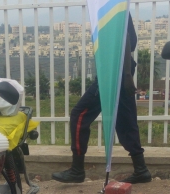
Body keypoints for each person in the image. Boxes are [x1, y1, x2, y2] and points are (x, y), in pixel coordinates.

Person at [52, 15, 151, 184]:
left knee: (79, 115)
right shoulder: (119, 7)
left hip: (113, 72)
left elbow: (125, 37)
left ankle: (77, 170)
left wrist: (126, 74)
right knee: (126, 121)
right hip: (118, 69)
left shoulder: (109, 6)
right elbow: (131, 39)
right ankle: (141, 169)